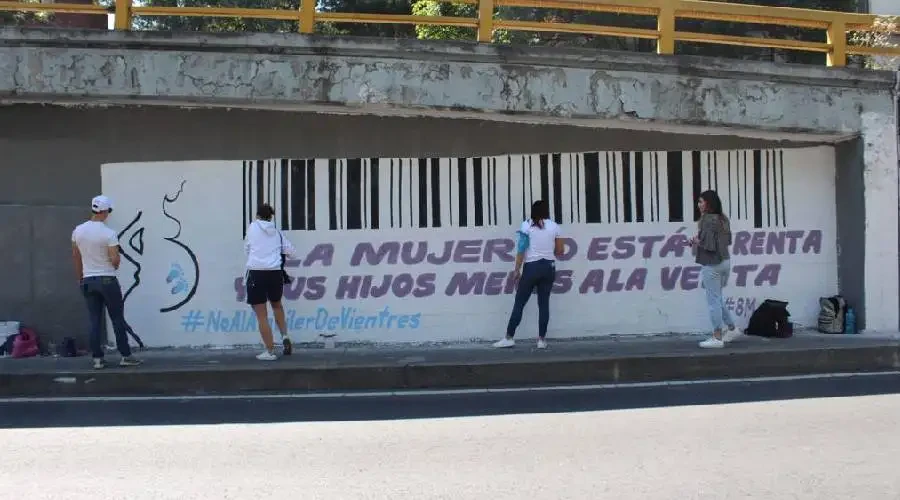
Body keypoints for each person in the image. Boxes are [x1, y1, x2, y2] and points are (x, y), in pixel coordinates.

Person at [71, 195, 142, 369]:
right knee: (117, 318)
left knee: (94, 320)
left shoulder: (78, 231)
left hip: (87, 280)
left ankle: (97, 359)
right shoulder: (109, 234)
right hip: (107, 279)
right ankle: (125, 356)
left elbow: (76, 257)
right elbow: (115, 260)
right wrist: (115, 260)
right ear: (105, 211)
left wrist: (80, 278)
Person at [494, 200, 563, 350]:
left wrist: (517, 270)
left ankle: (509, 337)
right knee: (544, 304)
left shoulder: (526, 225)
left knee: (520, 302)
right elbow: (560, 251)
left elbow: (521, 249)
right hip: (549, 267)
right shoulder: (555, 226)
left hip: (532, 267)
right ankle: (541, 340)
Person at [244, 203, 298, 361]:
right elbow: (292, 253)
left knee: (262, 315)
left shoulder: (252, 228)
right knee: (277, 305)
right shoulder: (276, 232)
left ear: (258, 215)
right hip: (275, 274)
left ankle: (269, 351)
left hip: (256, 274)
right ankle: (285, 336)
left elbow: (247, 249)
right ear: (271, 217)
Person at [691, 190, 739, 349]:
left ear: (708, 203)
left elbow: (709, 246)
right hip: (725, 261)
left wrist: (696, 241)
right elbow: (728, 240)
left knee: (713, 301)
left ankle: (717, 336)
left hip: (712, 264)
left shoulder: (707, 220)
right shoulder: (723, 219)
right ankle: (732, 329)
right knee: (718, 298)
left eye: (701, 202)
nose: (698, 205)